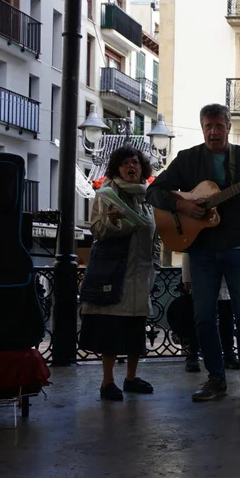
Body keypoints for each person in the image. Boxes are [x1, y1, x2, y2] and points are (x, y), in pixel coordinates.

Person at [147, 103, 240, 403]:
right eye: (208, 126)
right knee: (203, 316)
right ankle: (216, 378)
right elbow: (154, 191)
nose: (213, 132)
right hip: (201, 248)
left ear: (229, 127)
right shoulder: (187, 159)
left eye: (219, 126)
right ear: (202, 127)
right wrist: (183, 205)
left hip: (239, 246)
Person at [80, 146, 159, 401]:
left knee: (136, 329)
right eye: (125, 163)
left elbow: (155, 235)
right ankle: (107, 382)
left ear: (142, 168)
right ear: (117, 169)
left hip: (142, 273)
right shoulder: (107, 195)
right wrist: (114, 221)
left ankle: (131, 378)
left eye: (135, 162)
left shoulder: (148, 197)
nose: (131, 167)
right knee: (112, 329)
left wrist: (155, 264)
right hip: (115, 271)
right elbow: (97, 230)